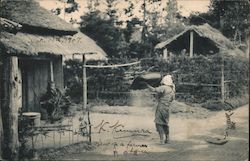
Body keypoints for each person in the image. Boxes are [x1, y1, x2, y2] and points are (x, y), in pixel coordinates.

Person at [144, 75, 175, 144]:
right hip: (167, 108)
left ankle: (161, 140)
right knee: (165, 123)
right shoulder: (172, 90)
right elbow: (172, 99)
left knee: (158, 123)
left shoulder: (164, 87)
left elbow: (154, 90)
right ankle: (167, 139)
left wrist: (147, 85)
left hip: (161, 107)